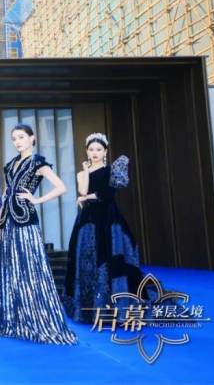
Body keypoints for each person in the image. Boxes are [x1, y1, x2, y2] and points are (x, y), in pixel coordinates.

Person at [0, 124, 78, 345]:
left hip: (26, 221)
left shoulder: (38, 162)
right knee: (12, 271)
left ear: (32, 138)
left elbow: (61, 187)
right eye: (14, 138)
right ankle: (15, 321)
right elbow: (5, 193)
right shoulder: (10, 164)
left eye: (21, 137)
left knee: (30, 268)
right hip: (8, 222)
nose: (17, 142)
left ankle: (37, 319)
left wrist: (36, 200)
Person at [62, 133, 144, 323]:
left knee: (108, 256)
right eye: (91, 149)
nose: (95, 153)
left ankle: (115, 306)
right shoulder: (82, 173)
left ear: (105, 151)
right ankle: (89, 306)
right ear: (86, 151)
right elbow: (83, 190)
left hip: (108, 218)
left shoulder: (111, 171)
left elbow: (107, 194)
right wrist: (85, 173)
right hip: (87, 220)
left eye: (99, 149)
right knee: (85, 256)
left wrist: (86, 197)